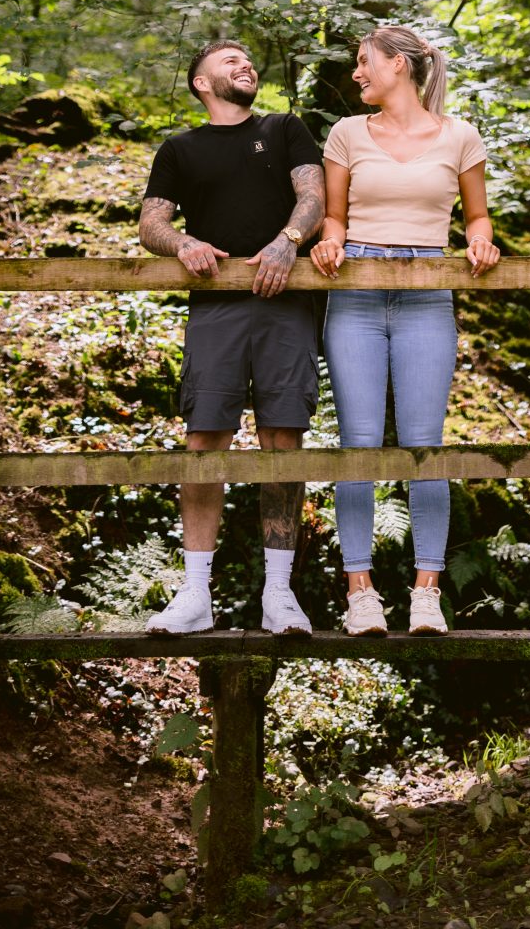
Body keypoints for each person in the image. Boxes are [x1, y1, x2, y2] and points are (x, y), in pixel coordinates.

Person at [311, 26, 498, 637]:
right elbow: (333, 214)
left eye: (364, 63)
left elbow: (476, 214)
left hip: (427, 292)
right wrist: (331, 239)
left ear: (398, 65)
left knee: (425, 444)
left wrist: (478, 238)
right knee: (358, 443)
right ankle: (360, 592)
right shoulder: (345, 134)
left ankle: (426, 592)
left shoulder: (460, 137)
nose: (357, 74)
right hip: (357, 293)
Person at [138, 40, 324, 634]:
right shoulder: (180, 149)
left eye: (249, 60)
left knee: (282, 439)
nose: (245, 65)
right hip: (216, 305)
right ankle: (195, 594)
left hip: (285, 301)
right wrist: (183, 243)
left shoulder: (284, 127)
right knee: (205, 439)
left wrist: (288, 241)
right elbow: (151, 222)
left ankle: (279, 594)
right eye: (229, 61)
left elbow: (313, 196)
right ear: (200, 82)